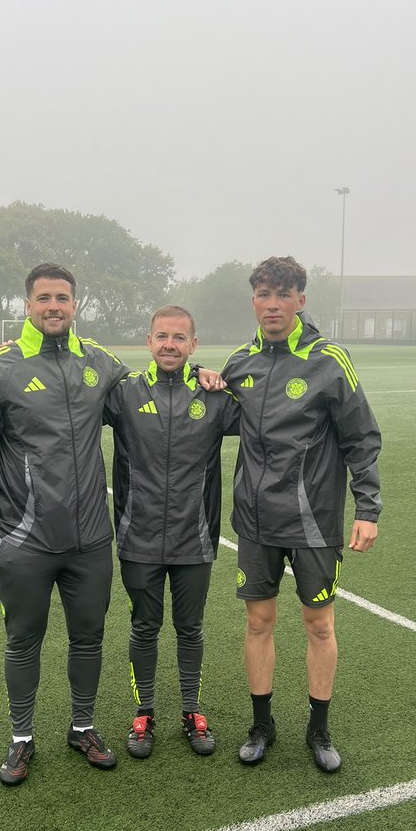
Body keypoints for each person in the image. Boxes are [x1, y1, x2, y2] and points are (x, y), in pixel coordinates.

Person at [0, 263, 129, 786]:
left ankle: (82, 727)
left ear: (75, 304)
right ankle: (20, 740)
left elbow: (152, 400)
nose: (54, 306)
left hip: (90, 541)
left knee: (88, 637)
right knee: (23, 640)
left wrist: (202, 377)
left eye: (62, 298)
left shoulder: (99, 361)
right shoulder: (1, 366)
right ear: (28, 305)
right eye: (44, 298)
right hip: (24, 541)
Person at [221, 256, 382, 772]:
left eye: (284, 295)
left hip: (314, 519)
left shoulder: (329, 359)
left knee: (318, 623)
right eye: (264, 295)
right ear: (253, 301)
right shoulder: (239, 363)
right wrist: (201, 380)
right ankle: (262, 724)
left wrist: (368, 508)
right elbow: (210, 412)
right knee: (258, 620)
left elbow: (362, 437)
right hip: (256, 521)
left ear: (301, 301)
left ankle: (319, 729)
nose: (273, 305)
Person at [103, 306, 239, 759]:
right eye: (162, 335)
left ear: (193, 345)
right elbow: (67, 396)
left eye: (180, 338)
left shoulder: (214, 398)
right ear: (148, 340)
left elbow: (268, 409)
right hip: (137, 536)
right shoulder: (123, 395)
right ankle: (143, 712)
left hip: (194, 537)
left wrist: (221, 377)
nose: (170, 344)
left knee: (190, 628)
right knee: (144, 627)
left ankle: (190, 710)